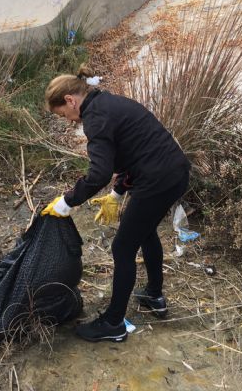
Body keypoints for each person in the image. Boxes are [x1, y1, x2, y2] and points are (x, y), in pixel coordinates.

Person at [41, 73, 190, 342]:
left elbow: (98, 173)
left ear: (70, 100)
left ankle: (113, 323)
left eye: (64, 114)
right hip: (175, 172)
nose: (69, 120)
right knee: (145, 232)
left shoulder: (96, 119)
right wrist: (117, 192)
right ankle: (154, 295)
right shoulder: (107, 102)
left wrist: (67, 202)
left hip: (157, 180)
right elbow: (134, 151)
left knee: (122, 247)